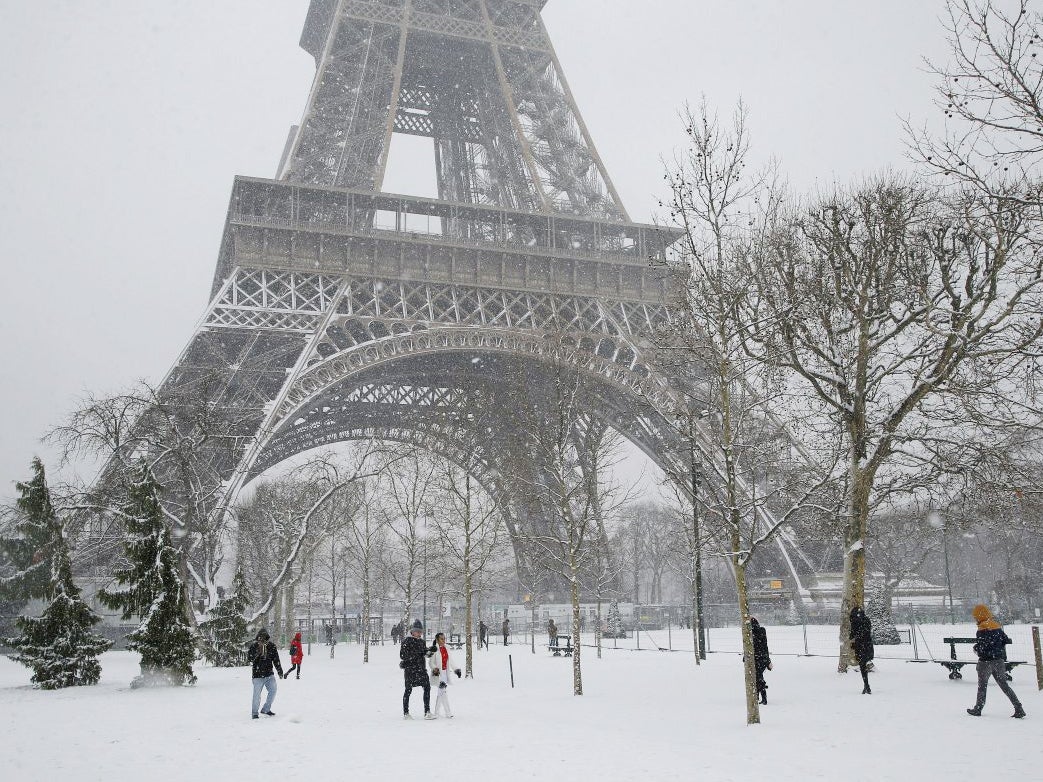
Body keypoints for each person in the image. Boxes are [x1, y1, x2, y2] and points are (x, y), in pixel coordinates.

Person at [966, 604, 1026, 718]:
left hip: (985, 662)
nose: (975, 619)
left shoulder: (982, 629)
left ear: (979, 616)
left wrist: (976, 648)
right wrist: (996, 648)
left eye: (975, 617)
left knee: (982, 686)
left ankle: (978, 709)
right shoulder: (996, 626)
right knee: (1004, 686)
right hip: (998, 661)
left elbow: (982, 648)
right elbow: (1005, 640)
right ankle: (1018, 707)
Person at [400, 620, 434, 720]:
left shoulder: (421, 642)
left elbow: (425, 652)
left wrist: (430, 652)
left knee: (427, 688)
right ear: (412, 631)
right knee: (408, 690)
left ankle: (427, 711)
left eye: (421, 632)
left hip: (421, 670)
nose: (419, 633)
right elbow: (403, 655)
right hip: (410, 670)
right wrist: (418, 654)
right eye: (417, 632)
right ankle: (406, 713)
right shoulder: (406, 641)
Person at [248, 628, 284, 719]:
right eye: (260, 638)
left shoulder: (272, 646)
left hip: (269, 674)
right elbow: (249, 659)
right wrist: (257, 652)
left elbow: (276, 660)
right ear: (258, 638)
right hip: (257, 675)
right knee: (256, 695)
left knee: (273, 690)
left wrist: (280, 671)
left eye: (264, 638)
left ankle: (266, 709)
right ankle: (254, 713)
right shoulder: (254, 646)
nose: (262, 640)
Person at [429, 632, 462, 719]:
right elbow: (431, 663)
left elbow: (450, 660)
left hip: (445, 673)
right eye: (441, 639)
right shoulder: (434, 649)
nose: (443, 640)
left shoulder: (447, 647)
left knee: (441, 692)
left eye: (444, 638)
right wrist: (435, 669)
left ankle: (437, 713)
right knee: (442, 691)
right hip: (438, 674)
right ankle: (447, 712)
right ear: (437, 640)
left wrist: (456, 669)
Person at [849, 605, 874, 694]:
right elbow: (868, 631)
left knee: (862, 666)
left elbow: (852, 635)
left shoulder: (854, 621)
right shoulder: (867, 619)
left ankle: (867, 686)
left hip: (860, 646)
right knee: (864, 665)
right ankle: (866, 686)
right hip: (868, 645)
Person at [750, 617, 772, 704]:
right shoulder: (762, 631)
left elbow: (752, 647)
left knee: (757, 678)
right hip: (763, 658)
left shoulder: (751, 633)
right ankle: (760, 696)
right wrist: (768, 659)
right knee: (758, 677)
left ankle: (761, 697)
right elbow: (765, 646)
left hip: (756, 659)